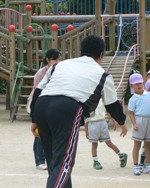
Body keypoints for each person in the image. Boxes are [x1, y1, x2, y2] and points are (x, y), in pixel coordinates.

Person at [30, 35, 128, 188]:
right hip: (67, 109)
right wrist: (122, 121)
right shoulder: (103, 75)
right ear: (101, 55)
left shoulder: (59, 65)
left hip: (42, 105)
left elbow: (38, 91)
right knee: (64, 163)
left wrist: (34, 119)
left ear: (81, 51)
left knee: (55, 163)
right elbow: (112, 104)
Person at [28, 48, 61, 170]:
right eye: (54, 59)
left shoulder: (58, 71)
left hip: (49, 103)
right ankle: (40, 161)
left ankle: (45, 159)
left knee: (46, 131)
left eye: (58, 59)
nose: (57, 61)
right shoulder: (41, 73)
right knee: (40, 131)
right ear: (47, 59)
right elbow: (37, 92)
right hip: (37, 103)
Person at [85, 99, 128, 170]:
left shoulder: (102, 100)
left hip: (102, 122)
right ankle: (95, 161)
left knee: (108, 142)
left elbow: (108, 111)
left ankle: (121, 155)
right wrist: (86, 130)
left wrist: (113, 120)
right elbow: (86, 118)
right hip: (92, 123)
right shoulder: (87, 101)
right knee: (94, 143)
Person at [128, 73, 150, 176]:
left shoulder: (149, 95)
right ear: (132, 86)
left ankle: (147, 164)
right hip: (139, 121)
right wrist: (134, 124)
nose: (139, 85)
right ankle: (136, 165)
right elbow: (131, 114)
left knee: (148, 144)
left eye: (140, 83)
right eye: (136, 84)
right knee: (137, 145)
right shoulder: (132, 99)